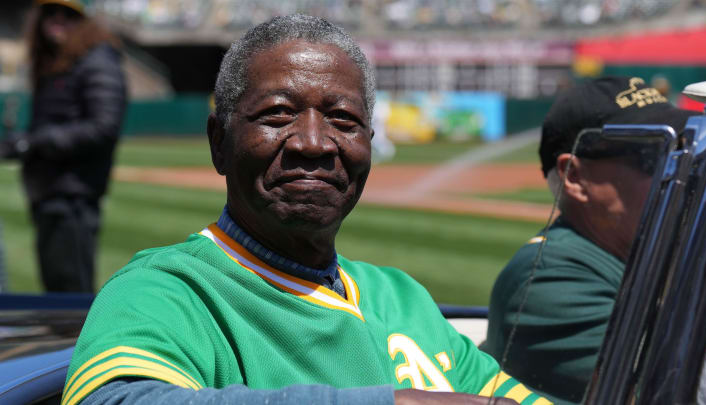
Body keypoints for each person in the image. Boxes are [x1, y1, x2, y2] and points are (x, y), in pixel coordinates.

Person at [61, 15, 549, 405]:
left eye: (343, 120)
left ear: (369, 145)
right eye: (277, 114)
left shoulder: (401, 298)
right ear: (219, 143)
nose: (314, 143)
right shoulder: (168, 290)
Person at [482, 76, 698, 404]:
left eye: (684, 149)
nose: (682, 169)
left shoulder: (662, 256)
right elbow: (684, 391)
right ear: (576, 177)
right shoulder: (548, 279)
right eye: (654, 155)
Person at [0, 0, 127, 292]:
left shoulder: (97, 60)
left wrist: (33, 143)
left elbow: (103, 127)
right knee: (58, 291)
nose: (57, 20)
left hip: (73, 195)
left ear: (85, 22)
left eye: (68, 14)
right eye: (49, 12)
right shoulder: (60, 62)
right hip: (52, 191)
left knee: (70, 299)